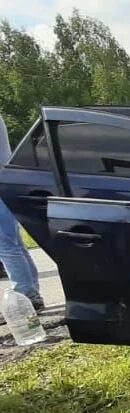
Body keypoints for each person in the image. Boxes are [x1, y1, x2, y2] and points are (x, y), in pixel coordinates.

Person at [0, 113, 44, 311]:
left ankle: (25, 294)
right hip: (5, 182)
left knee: (7, 245)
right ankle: (31, 293)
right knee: (14, 243)